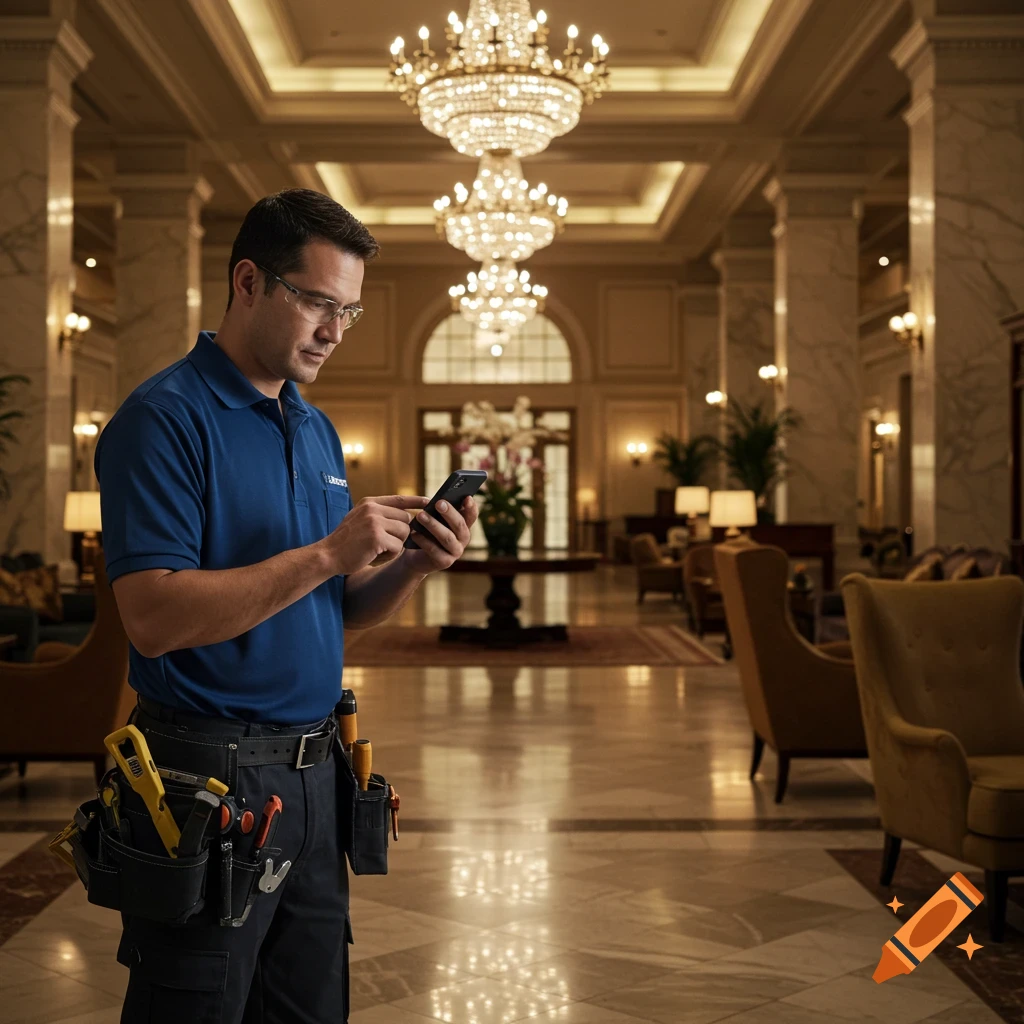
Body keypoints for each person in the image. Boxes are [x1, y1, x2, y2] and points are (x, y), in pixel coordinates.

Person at [94, 188, 478, 1023]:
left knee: (310, 1007)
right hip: (204, 777)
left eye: (351, 312)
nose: (335, 332)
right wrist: (327, 553)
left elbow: (327, 613)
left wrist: (412, 565)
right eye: (318, 303)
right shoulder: (162, 421)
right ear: (248, 283)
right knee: (195, 1002)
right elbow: (152, 617)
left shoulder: (315, 429)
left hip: (313, 774)